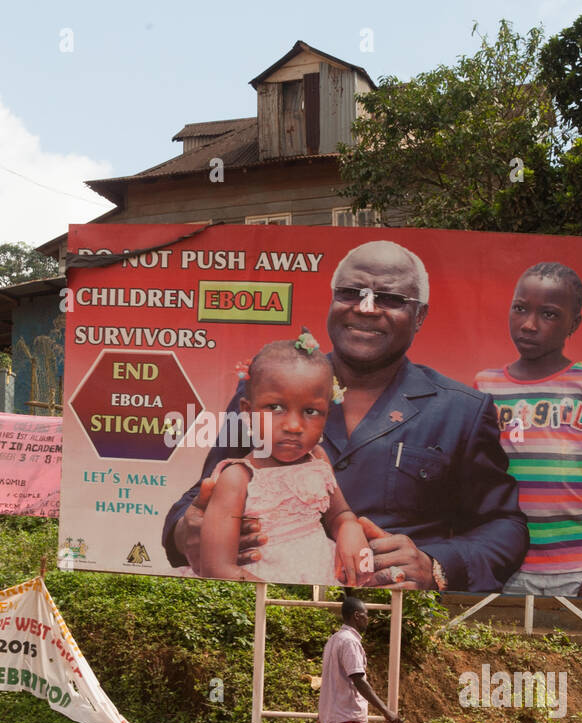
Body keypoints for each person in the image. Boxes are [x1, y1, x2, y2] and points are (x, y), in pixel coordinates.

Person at [163, 240, 528, 592]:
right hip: (265, 610)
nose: (366, 308)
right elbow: (202, 494)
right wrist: (188, 529)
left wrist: (436, 565)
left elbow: (504, 526)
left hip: (389, 620)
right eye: (350, 292)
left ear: (420, 316)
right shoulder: (262, 395)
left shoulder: (460, 410)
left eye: (390, 299)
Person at [473, 262, 582, 597]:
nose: (528, 325)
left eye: (549, 314)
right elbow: (476, 476)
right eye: (520, 309)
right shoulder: (485, 386)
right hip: (506, 563)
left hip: (577, 569)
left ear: (575, 323)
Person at [191, 332, 371, 585]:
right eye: (275, 408)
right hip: (260, 595)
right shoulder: (237, 478)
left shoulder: (317, 460)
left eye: (311, 411)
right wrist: (283, 600)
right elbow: (217, 568)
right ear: (247, 411)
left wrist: (349, 527)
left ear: (327, 416)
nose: (294, 426)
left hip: (322, 579)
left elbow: (338, 513)